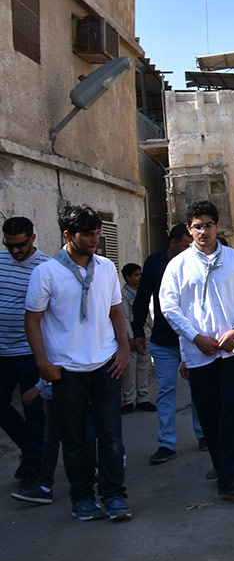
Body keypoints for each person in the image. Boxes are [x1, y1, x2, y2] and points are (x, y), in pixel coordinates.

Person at [24, 205, 131, 521]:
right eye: (87, 234)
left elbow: (115, 312)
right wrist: (42, 363)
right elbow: (32, 320)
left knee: (111, 438)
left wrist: (123, 350)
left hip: (105, 365)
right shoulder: (46, 273)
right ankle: (82, 498)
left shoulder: (106, 268)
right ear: (68, 235)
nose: (95, 239)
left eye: (97, 232)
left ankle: (114, 496)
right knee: (74, 440)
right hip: (66, 369)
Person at [159, 200, 234, 498]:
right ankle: (223, 467)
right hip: (199, 353)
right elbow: (169, 307)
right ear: (189, 230)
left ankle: (230, 475)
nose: (203, 231)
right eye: (197, 226)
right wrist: (194, 337)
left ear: (218, 226)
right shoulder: (178, 266)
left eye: (208, 225)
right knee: (209, 412)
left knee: (233, 408)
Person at [133, 223, 202, 465]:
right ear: (172, 243)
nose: (189, 249)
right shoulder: (155, 263)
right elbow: (142, 298)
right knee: (165, 391)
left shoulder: (195, 262)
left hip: (193, 339)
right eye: (185, 245)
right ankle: (166, 443)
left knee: (199, 389)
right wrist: (137, 331)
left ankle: (203, 434)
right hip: (164, 341)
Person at [1, 216, 50, 489]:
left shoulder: (45, 268)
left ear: (32, 238)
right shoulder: (0, 261)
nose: (15, 250)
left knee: (34, 409)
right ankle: (29, 446)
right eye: (10, 245)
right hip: (2, 352)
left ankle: (33, 466)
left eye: (20, 245)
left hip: (30, 352)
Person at [119, 263, 153, 413]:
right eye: (136, 275)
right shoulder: (123, 295)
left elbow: (148, 315)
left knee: (143, 367)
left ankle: (143, 398)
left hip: (145, 334)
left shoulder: (141, 292)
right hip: (131, 337)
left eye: (140, 274)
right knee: (129, 370)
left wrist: (151, 330)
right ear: (128, 277)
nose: (139, 277)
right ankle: (128, 400)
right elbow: (124, 318)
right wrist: (130, 337)